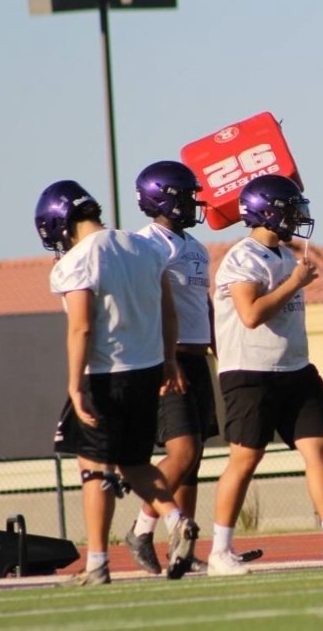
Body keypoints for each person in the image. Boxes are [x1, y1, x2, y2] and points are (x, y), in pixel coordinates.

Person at [207, 175, 323, 575]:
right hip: (250, 371)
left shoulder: (280, 255)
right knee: (245, 457)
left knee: (321, 449)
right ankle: (220, 550)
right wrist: (294, 282)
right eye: (290, 208)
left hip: (294, 368)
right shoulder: (243, 257)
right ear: (267, 211)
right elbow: (251, 314)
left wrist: (293, 276)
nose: (297, 216)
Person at [34, 180, 197, 585]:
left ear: (61, 225)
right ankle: (177, 520)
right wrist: (170, 359)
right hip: (147, 371)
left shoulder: (79, 260)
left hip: (105, 376)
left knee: (94, 471)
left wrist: (74, 384)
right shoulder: (144, 247)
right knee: (135, 463)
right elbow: (168, 311)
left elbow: (82, 327)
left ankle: (97, 564)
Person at [124, 161, 219, 576]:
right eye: (184, 195)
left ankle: (183, 549)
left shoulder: (195, 247)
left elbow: (203, 304)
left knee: (194, 460)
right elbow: (148, 307)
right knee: (181, 453)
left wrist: (218, 343)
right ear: (161, 197)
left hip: (197, 358)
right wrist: (165, 360)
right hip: (171, 358)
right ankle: (141, 529)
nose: (192, 202)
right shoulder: (146, 246)